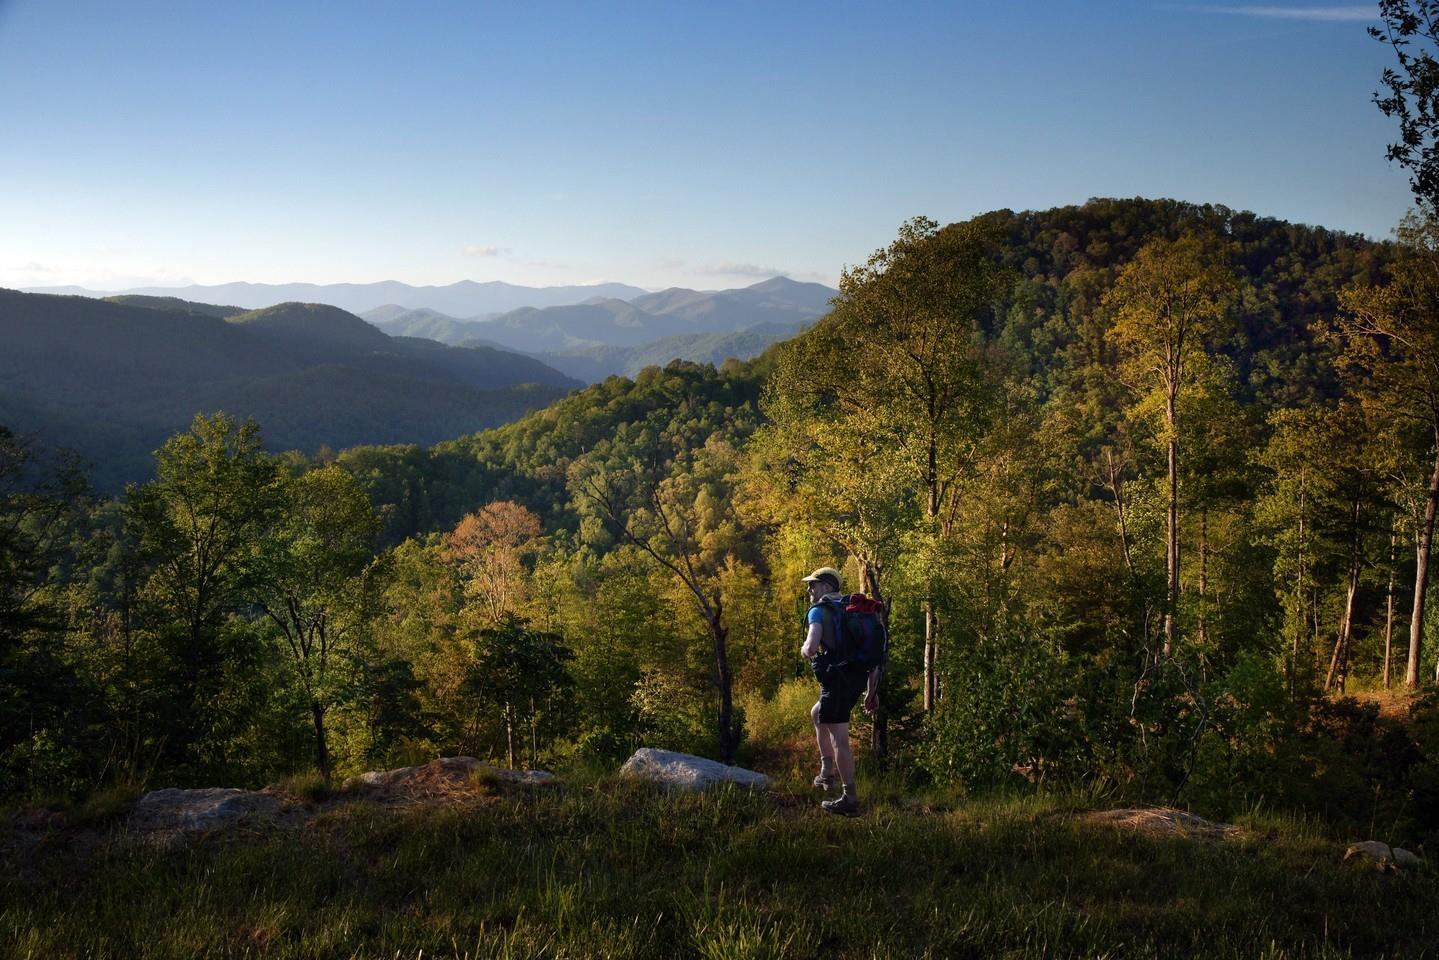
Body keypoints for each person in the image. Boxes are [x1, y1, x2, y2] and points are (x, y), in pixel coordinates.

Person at [801, 566, 879, 816]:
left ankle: (849, 798)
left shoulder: (819, 611)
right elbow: (873, 655)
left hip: (836, 682)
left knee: (839, 740)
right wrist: (871, 692)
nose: (809, 589)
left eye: (813, 584)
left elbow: (812, 646)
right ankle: (826, 772)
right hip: (855, 680)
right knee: (817, 713)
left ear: (826, 587)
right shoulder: (853, 609)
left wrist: (805, 649)